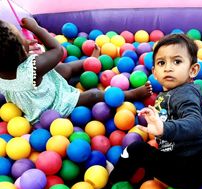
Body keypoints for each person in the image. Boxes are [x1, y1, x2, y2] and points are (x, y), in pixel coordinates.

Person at [109, 33, 202, 189]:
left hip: (187, 172)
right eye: (162, 63)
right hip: (187, 159)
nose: (168, 67)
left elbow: (195, 123)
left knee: (135, 149)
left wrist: (162, 129)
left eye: (177, 61)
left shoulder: (185, 93)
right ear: (154, 71)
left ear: (193, 70)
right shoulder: (170, 92)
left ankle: (114, 181)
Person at [0, 17, 152, 124]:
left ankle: (91, 62)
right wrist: (36, 28)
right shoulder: (33, 68)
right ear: (18, 51)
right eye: (22, 38)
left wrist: (25, 48)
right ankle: (130, 94)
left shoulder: (5, 69)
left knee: (61, 69)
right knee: (94, 94)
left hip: (38, 94)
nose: (25, 39)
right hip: (55, 108)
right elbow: (57, 50)